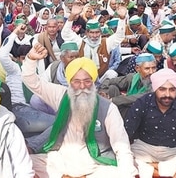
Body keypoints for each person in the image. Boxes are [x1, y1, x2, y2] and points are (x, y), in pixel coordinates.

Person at [23, 44, 137, 178]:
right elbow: (32, 81)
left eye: (87, 81)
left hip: (94, 165)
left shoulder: (108, 108)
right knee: (26, 164)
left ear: (94, 81)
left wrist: (127, 172)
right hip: (61, 161)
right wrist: (31, 59)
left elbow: (121, 144)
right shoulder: (61, 95)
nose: (82, 87)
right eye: (76, 81)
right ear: (69, 82)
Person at [124, 68, 176, 178]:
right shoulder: (142, 103)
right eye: (162, 89)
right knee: (124, 161)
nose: (167, 94)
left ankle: (150, 170)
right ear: (155, 88)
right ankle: (160, 172)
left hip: (173, 151)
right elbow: (126, 134)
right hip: (143, 148)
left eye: (172, 89)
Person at [62, 4, 128, 82]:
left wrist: (122, 19)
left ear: (100, 32)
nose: (94, 36)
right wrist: (71, 17)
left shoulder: (106, 43)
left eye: (97, 32)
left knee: (112, 74)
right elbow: (66, 34)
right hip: (83, 80)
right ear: (86, 33)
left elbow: (119, 37)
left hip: (101, 80)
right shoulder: (80, 43)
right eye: (92, 33)